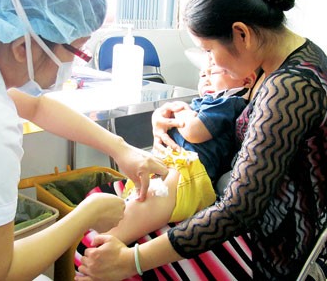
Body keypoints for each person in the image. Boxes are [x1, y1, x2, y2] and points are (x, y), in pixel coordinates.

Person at [76, 0, 327, 280]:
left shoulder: (290, 88)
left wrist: (132, 261)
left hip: (277, 242)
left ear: (241, 34)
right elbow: (248, 130)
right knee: (101, 211)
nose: (210, 64)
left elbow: (239, 209)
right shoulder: (277, 61)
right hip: (238, 202)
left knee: (107, 248)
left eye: (209, 50)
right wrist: (169, 118)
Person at [0, 0, 168, 280]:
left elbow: (37, 108)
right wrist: (86, 214)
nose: (73, 65)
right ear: (23, 47)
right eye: (77, 51)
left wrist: (120, 147)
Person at [103, 63, 257, 245]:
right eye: (202, 75)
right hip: (172, 164)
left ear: (246, 80)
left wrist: (181, 110)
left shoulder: (229, 103)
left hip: (192, 172)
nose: (205, 79)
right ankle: (108, 230)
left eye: (213, 72)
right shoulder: (208, 102)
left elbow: (194, 132)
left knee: (150, 198)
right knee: (136, 196)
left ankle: (108, 241)